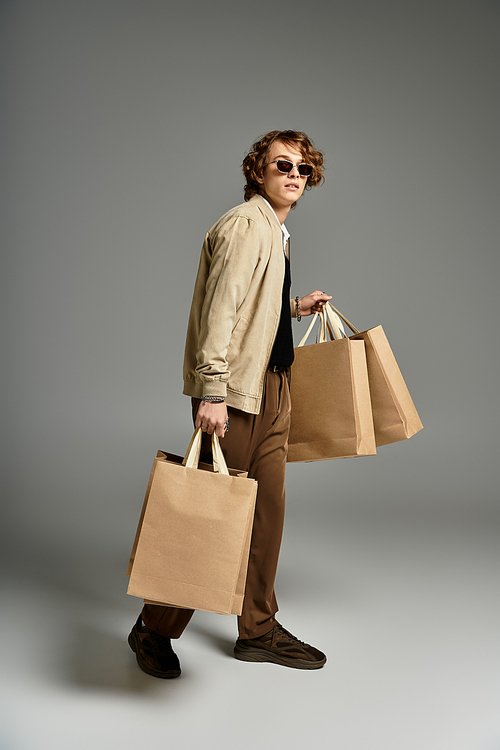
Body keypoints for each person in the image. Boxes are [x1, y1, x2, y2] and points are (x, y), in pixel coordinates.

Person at [128, 130, 332, 678]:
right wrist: (212, 391)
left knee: (266, 517)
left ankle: (258, 630)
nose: (293, 175)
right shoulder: (247, 225)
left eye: (303, 169)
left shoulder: (274, 230)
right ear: (257, 172)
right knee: (207, 516)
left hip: (274, 386)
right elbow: (221, 312)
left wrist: (293, 307)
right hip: (237, 392)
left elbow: (251, 304)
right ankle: (154, 629)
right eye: (281, 165)